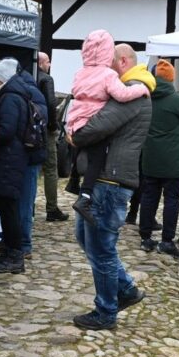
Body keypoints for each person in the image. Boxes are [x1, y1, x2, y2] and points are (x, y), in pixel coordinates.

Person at [69, 43, 154, 330]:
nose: (104, 66)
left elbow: (94, 129)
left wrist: (75, 134)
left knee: (101, 248)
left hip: (110, 181)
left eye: (110, 61)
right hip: (106, 179)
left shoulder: (132, 91)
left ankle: (106, 311)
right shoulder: (128, 88)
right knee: (86, 239)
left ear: (124, 61)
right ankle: (126, 290)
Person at [66, 30, 151, 226]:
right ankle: (84, 196)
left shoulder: (80, 73)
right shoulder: (109, 76)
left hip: (75, 119)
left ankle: (74, 182)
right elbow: (122, 95)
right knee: (97, 156)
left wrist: (74, 135)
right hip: (91, 124)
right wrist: (141, 89)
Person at [0, 59, 32, 275]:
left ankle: (15, 256)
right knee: (6, 209)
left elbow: (7, 131)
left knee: (8, 210)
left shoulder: (10, 98)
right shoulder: (15, 95)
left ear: (1, 79)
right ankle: (11, 252)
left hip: (9, 160)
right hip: (11, 160)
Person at [140, 59, 179, 257]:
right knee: (171, 200)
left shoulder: (146, 97)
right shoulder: (177, 100)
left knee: (149, 196)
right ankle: (167, 241)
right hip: (172, 160)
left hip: (150, 156)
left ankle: (145, 237)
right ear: (171, 78)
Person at [13, 58, 49, 260]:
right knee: (23, 201)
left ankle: (24, 243)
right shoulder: (32, 89)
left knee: (24, 202)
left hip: (28, 155)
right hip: (32, 154)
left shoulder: (24, 92)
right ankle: (18, 241)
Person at [37, 52, 69, 222]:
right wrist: (53, 125)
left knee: (33, 167)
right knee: (50, 168)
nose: (49, 65)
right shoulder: (47, 79)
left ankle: (29, 207)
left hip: (31, 128)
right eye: (48, 62)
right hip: (45, 128)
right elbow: (51, 103)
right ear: (41, 63)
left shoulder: (29, 76)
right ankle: (52, 208)